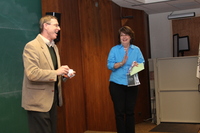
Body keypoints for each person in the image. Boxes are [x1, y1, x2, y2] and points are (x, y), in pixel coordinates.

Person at [21, 15, 75, 133]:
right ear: (45, 26)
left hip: (52, 101)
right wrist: (56, 72)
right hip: (38, 103)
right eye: (56, 25)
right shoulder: (32, 46)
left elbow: (53, 73)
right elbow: (32, 73)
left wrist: (63, 75)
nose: (59, 28)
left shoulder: (53, 47)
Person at [107, 26, 145, 133]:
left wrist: (137, 65)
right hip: (117, 84)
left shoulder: (136, 50)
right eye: (122, 35)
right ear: (119, 37)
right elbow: (109, 65)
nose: (124, 37)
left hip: (132, 84)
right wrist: (121, 63)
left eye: (126, 35)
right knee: (119, 112)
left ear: (130, 36)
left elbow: (142, 64)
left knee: (130, 112)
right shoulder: (114, 50)